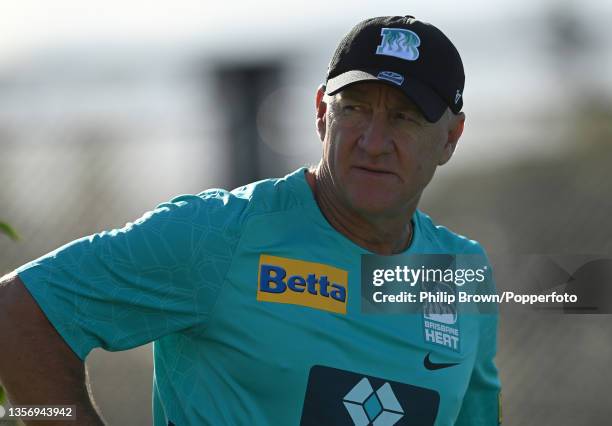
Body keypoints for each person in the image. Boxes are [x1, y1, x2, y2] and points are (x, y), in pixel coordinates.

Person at [0, 15, 501, 426]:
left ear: (451, 138)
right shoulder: (215, 234)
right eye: (355, 109)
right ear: (322, 113)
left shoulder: (459, 270)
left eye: (404, 118)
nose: (372, 141)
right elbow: (18, 311)